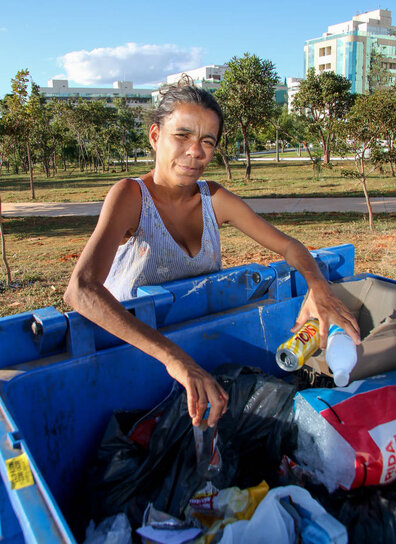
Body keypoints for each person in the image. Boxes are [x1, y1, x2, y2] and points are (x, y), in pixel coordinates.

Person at [64, 79, 360, 429]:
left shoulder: (213, 199)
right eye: (183, 136)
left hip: (196, 346)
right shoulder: (131, 196)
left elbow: (288, 246)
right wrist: (175, 360)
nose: (195, 152)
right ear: (155, 135)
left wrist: (318, 287)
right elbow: (80, 289)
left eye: (208, 141)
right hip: (132, 351)